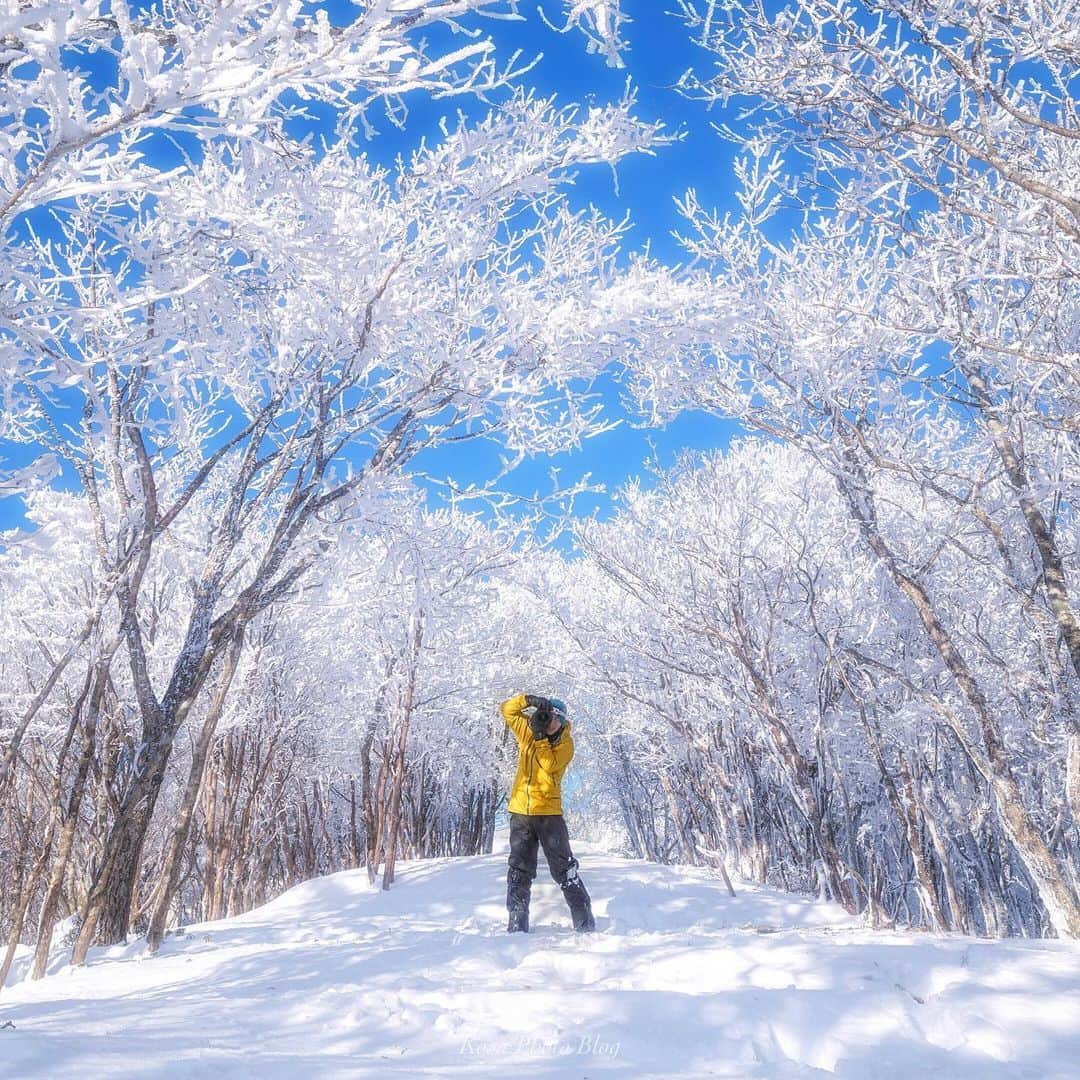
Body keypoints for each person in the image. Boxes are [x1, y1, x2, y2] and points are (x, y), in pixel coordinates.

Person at [500, 692, 596, 933]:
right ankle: (517, 919)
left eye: (554, 718)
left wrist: (541, 738)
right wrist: (529, 700)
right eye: (546, 715)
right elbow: (507, 710)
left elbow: (550, 765)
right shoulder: (528, 731)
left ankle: (583, 918)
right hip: (521, 811)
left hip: (549, 814)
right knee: (519, 868)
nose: (548, 720)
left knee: (564, 868)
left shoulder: (566, 744)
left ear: (561, 721)